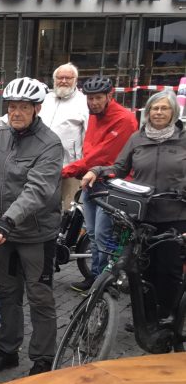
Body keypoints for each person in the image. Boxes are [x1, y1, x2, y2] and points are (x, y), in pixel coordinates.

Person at [0, 78, 63, 376]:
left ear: (37, 108)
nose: (16, 113)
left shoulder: (50, 144)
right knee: (7, 292)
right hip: (3, 233)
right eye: (12, 107)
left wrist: (7, 219)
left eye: (23, 107)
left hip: (35, 234)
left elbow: (37, 190)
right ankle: (8, 350)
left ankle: (43, 357)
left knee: (39, 295)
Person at [82, 90, 186, 321]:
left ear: (174, 112)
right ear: (147, 112)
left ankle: (167, 313)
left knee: (168, 268)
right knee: (143, 267)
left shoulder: (183, 139)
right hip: (143, 213)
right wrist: (96, 171)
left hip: (175, 214)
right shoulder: (137, 138)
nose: (158, 113)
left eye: (164, 108)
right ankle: (146, 316)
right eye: (154, 109)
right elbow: (118, 167)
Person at [61, 76, 137, 292]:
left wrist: (66, 171)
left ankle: (104, 281)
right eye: (90, 98)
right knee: (93, 234)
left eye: (98, 98)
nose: (93, 102)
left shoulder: (124, 120)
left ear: (109, 96)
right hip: (90, 183)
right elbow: (89, 149)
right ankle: (96, 277)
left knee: (104, 235)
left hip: (111, 185)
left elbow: (101, 157)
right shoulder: (94, 116)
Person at [41, 63, 88, 208]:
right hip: (42, 165)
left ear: (76, 80)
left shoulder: (83, 102)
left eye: (68, 77)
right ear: (54, 79)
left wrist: (83, 163)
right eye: (60, 77)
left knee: (69, 207)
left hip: (70, 165)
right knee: (43, 206)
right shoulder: (45, 99)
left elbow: (88, 133)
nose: (63, 81)